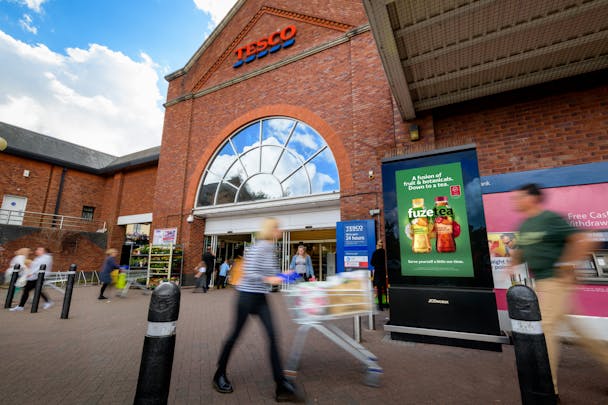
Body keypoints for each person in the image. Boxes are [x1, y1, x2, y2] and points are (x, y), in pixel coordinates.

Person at [509, 183, 608, 398]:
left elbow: (584, 240)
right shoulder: (525, 225)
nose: (515, 201)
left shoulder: (550, 219)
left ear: (532, 198)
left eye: (519, 197)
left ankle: (548, 390)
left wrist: (568, 263)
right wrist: (512, 263)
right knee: (579, 331)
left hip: (554, 281)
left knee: (545, 330)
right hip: (542, 284)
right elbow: (521, 250)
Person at [213, 218, 297, 402]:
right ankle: (219, 374)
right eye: (277, 228)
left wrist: (284, 275)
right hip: (246, 297)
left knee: (273, 336)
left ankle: (281, 384)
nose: (280, 231)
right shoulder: (258, 247)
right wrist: (269, 279)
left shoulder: (271, 249)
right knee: (235, 335)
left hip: (260, 298)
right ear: (270, 230)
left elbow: (272, 275)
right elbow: (249, 273)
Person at [10, 246, 54, 311]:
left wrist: (31, 273)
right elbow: (34, 266)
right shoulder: (40, 258)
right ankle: (48, 301)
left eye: (40, 250)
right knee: (35, 290)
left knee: (29, 290)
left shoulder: (46, 258)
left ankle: (21, 306)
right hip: (34, 276)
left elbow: (41, 267)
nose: (37, 251)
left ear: (44, 252)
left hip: (38, 276)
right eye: (37, 249)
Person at [370, 240, 387, 311]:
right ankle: (386, 303)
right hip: (384, 272)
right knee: (385, 288)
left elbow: (372, 263)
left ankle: (380, 306)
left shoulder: (375, 252)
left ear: (377, 245)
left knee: (379, 289)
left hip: (378, 272)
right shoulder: (384, 252)